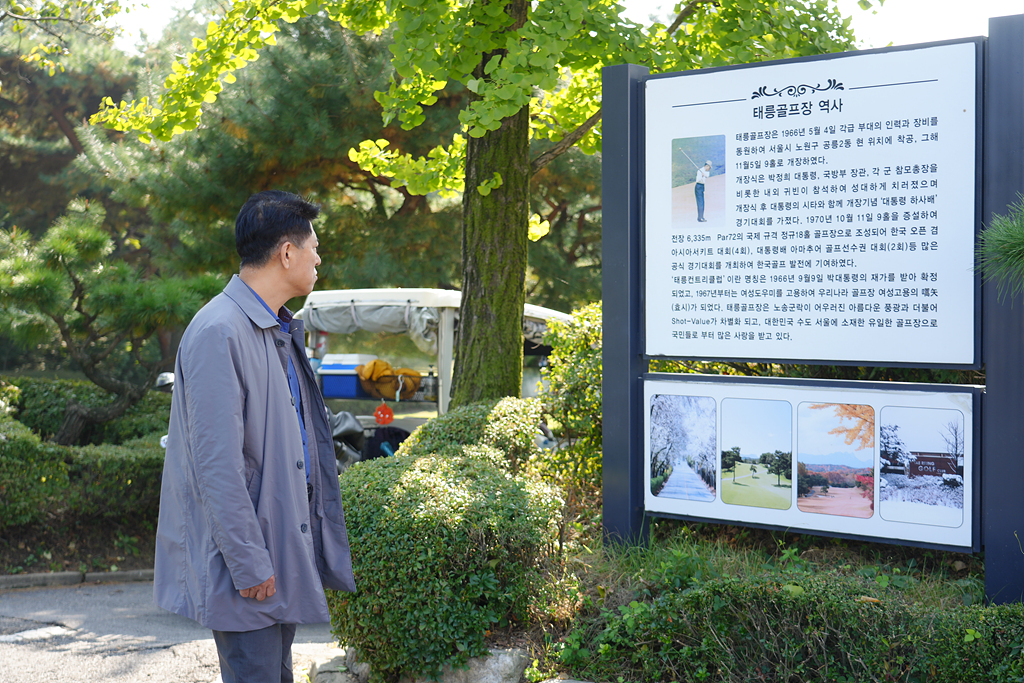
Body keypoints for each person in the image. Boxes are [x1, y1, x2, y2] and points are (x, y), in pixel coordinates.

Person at [154, 191, 356, 683]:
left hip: (277, 551)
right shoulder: (219, 332)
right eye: (313, 246)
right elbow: (216, 465)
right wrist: (248, 564)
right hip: (249, 567)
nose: (318, 258)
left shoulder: (271, 328)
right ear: (286, 253)